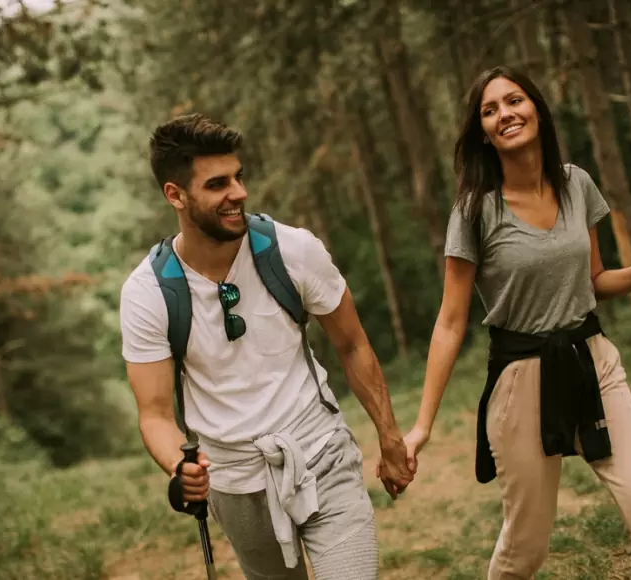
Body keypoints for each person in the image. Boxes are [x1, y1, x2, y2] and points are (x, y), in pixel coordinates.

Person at [401, 65, 631, 579]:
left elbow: (594, 279)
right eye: (490, 110)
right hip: (520, 381)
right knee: (525, 550)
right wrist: (422, 426)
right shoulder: (474, 211)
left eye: (514, 101)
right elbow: (450, 322)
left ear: (536, 107)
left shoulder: (576, 183)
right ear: (482, 133)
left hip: (593, 361)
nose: (505, 114)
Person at [120, 113, 415, 580]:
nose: (238, 193)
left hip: (321, 452)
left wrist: (390, 436)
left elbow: (353, 343)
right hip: (235, 484)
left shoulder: (292, 249)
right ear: (175, 195)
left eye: (238, 177)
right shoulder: (148, 293)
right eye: (217, 184)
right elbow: (154, 412)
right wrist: (180, 465)